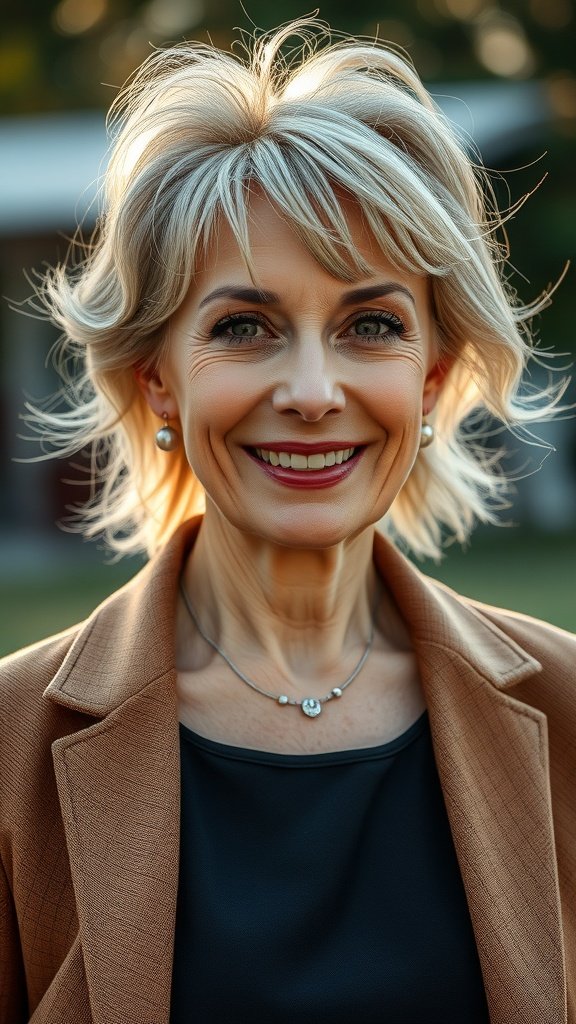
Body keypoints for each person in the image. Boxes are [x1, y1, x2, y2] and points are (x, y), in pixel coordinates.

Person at [0, 17, 574, 1024]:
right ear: (158, 379)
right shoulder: (10, 745)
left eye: (371, 326)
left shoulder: (571, 713)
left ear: (432, 376)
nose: (313, 390)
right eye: (244, 327)